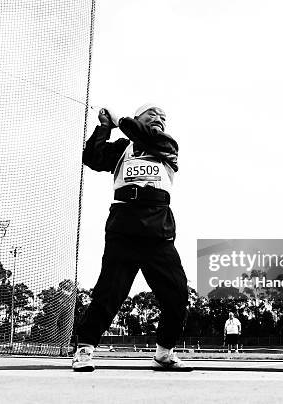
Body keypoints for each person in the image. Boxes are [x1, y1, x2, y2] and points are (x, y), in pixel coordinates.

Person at [71, 104, 191, 372]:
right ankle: (84, 349)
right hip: (123, 226)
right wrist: (104, 127)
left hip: (157, 230)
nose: (159, 119)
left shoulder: (166, 144)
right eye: (152, 115)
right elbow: (92, 157)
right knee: (108, 292)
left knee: (177, 294)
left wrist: (121, 120)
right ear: (138, 118)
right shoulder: (123, 148)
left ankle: (164, 354)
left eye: (163, 117)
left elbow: (144, 135)